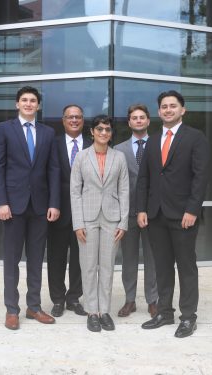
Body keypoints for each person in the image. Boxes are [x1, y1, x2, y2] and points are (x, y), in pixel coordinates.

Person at [137, 90, 209, 338]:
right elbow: (144, 178)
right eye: (164, 107)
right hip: (156, 215)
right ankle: (164, 312)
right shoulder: (153, 140)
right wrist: (141, 209)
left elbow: (201, 177)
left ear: (182, 110)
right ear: (159, 112)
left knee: (186, 266)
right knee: (162, 267)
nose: (168, 110)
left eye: (173, 106)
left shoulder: (195, 138)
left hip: (183, 216)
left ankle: (188, 317)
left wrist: (192, 209)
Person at [0, 86, 60, 330]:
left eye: (33, 101)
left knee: (36, 259)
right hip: (13, 206)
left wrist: (54, 203)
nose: (29, 104)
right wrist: (1, 201)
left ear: (38, 106)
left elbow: (53, 169)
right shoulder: (4, 129)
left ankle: (34, 307)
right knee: (11, 260)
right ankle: (12, 309)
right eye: (24, 100)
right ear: (17, 104)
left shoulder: (48, 132)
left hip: (40, 207)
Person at [70, 115, 129, 332]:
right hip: (86, 218)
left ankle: (104, 311)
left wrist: (123, 222)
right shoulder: (81, 157)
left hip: (112, 219)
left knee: (107, 267)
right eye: (100, 129)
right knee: (88, 267)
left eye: (108, 129)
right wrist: (77, 222)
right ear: (92, 132)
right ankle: (91, 311)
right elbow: (74, 191)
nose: (104, 132)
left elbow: (124, 190)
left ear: (111, 133)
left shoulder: (119, 157)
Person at [114, 104, 158, 318]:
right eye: (134, 117)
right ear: (129, 122)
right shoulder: (119, 149)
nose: (138, 120)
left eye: (142, 117)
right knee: (128, 260)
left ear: (148, 121)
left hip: (153, 213)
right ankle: (129, 300)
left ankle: (153, 300)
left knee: (153, 259)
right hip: (127, 213)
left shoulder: (159, 145)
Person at [47, 104, 91, 317]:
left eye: (78, 117)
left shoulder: (93, 144)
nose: (74, 120)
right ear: (63, 120)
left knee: (80, 259)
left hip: (86, 212)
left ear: (83, 120)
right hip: (58, 210)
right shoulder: (51, 143)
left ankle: (74, 298)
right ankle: (57, 299)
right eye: (70, 117)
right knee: (56, 258)